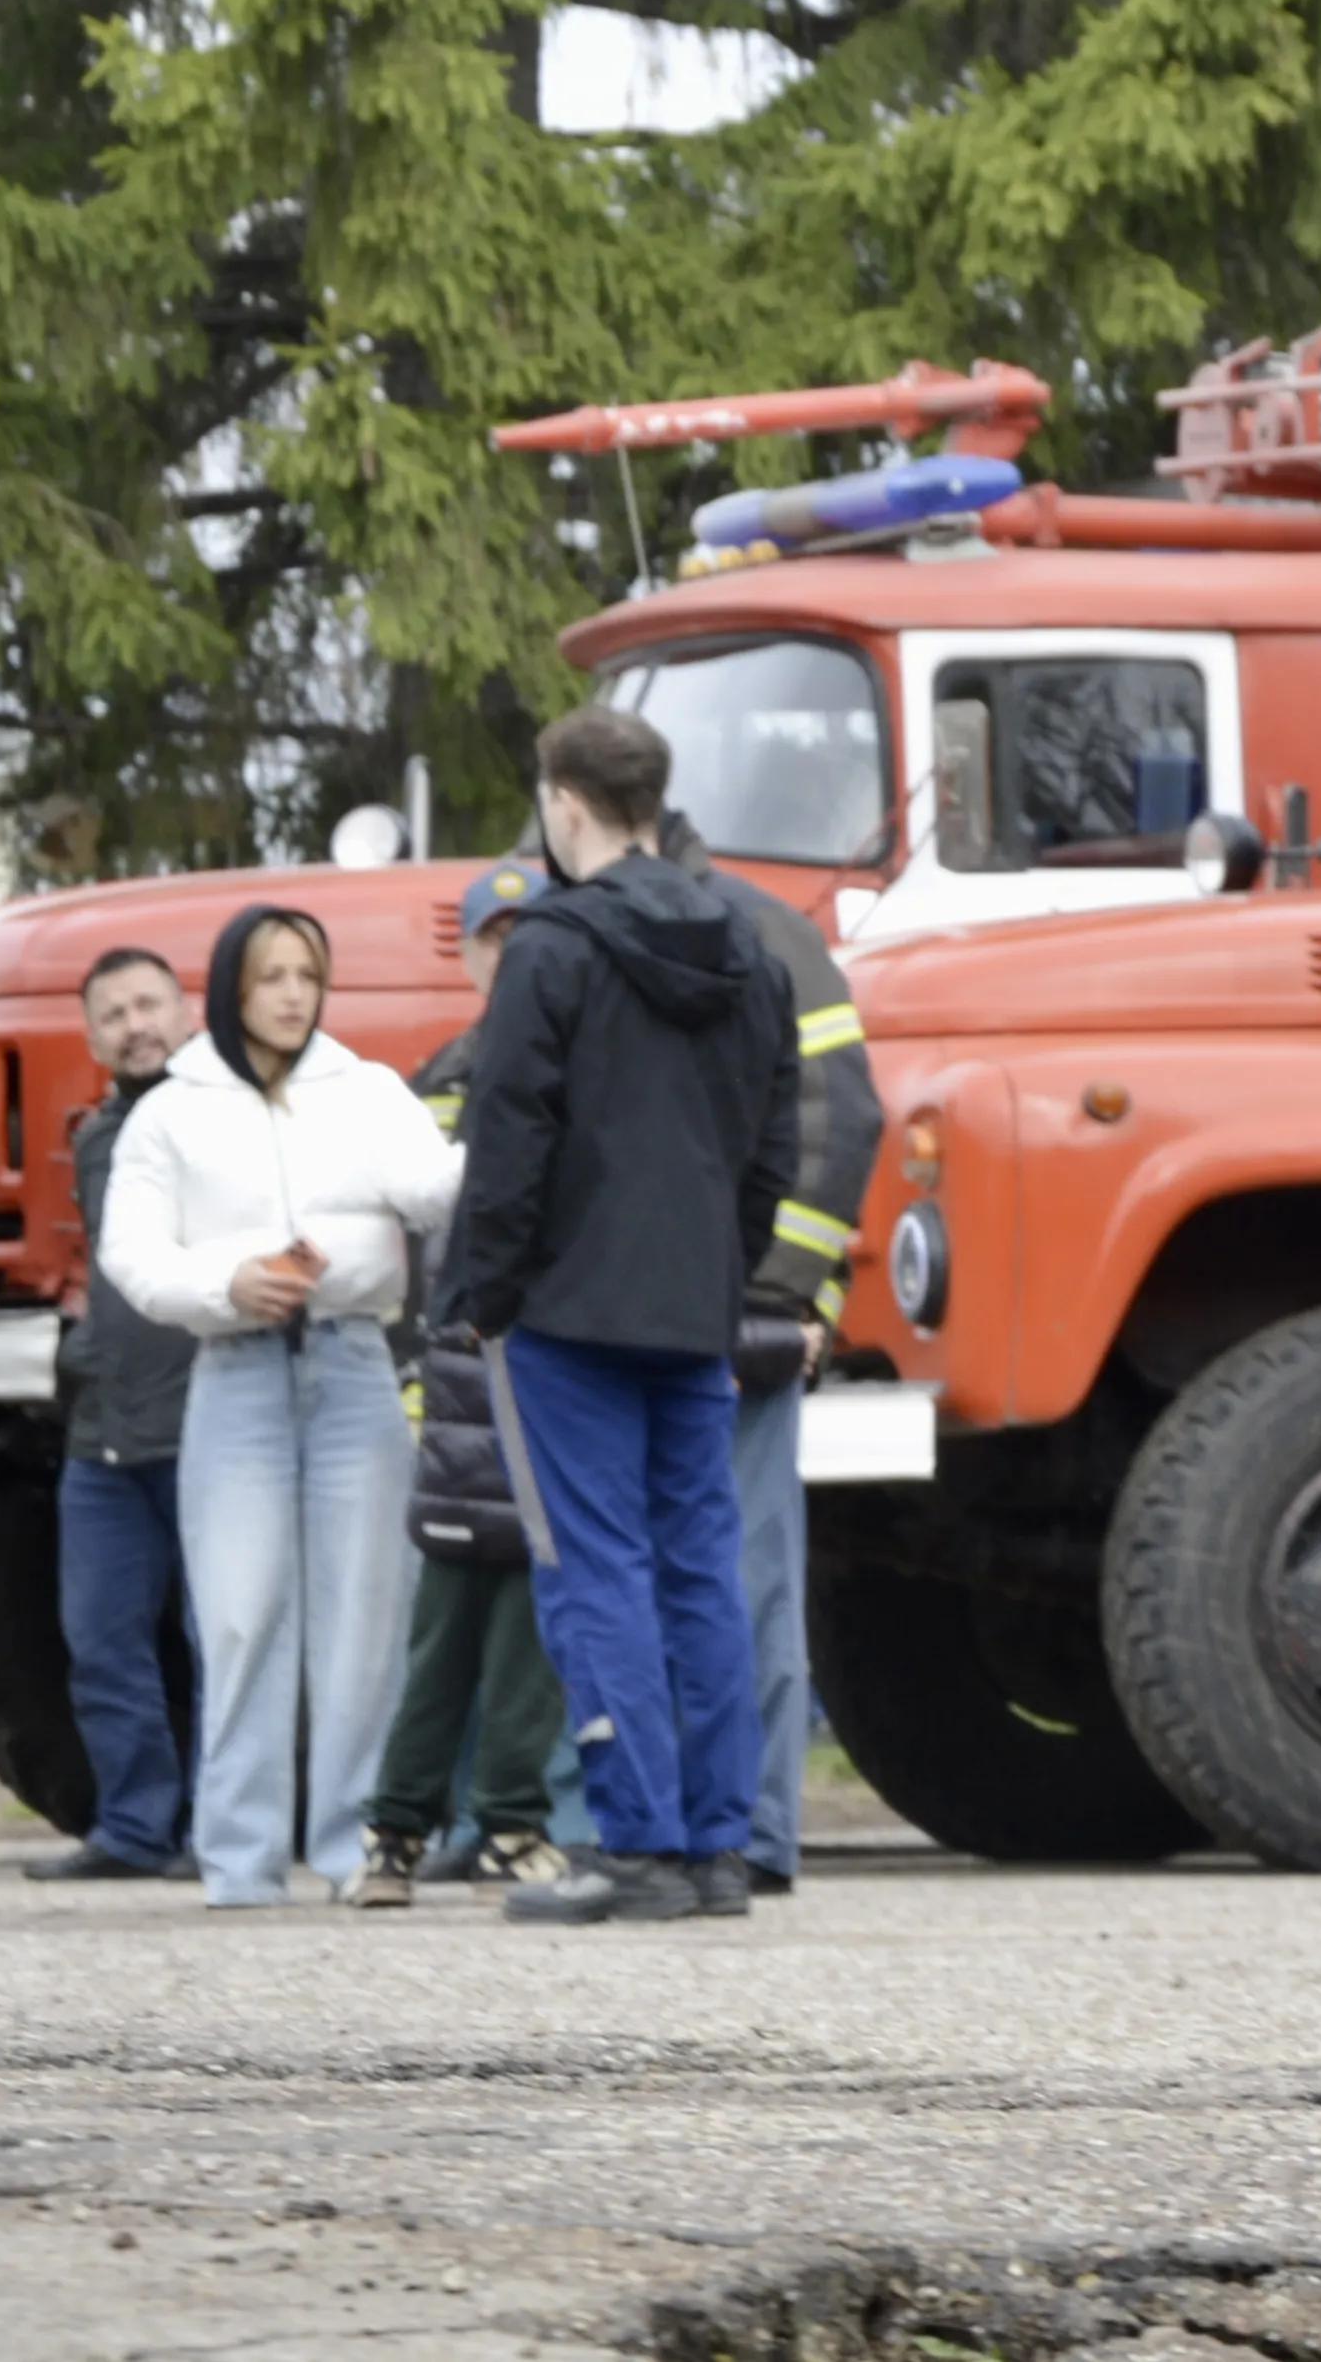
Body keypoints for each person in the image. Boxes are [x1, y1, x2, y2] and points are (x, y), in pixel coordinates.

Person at [448, 704, 797, 1927]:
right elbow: (775, 1136)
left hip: (564, 1313)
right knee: (699, 1566)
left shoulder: (549, 947)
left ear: (565, 804)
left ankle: (635, 1840)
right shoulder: (749, 945)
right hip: (691, 1310)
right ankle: (715, 1850)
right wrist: (721, 1267)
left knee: (591, 1565)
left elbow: (509, 1139)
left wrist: (483, 1293)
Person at [103, 907, 460, 1907]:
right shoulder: (170, 1111)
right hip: (235, 1374)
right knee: (240, 1614)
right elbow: (134, 1257)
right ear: (230, 988)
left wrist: (517, 1129)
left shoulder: (369, 1090)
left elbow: (433, 1191)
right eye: (271, 976)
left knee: (364, 1614)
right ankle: (240, 1862)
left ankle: (354, 1851)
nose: (294, 993)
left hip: (353, 1367)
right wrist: (230, 1285)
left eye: (309, 972)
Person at [667, 812, 883, 1895]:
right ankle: (683, 1825)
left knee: (745, 1578)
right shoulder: (631, 927)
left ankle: (751, 1834)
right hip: (650, 1313)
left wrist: (770, 1296)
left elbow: (841, 1118)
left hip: (718, 1321)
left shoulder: (761, 936)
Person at [358, 865, 570, 1904]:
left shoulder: (576, 1061)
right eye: (496, 936)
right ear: (474, 952)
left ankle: (511, 1824)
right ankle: (397, 1831)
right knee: (441, 1634)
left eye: (529, 932)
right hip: (457, 1391)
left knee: (529, 1632)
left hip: (541, 1385)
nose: (511, 951)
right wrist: (413, 1383)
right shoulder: (442, 1076)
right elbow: (409, 1241)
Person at [35, 947, 201, 1883]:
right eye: (113, 1012)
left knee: (217, 1635)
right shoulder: (97, 1136)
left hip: (199, 1416)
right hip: (101, 1426)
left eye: (149, 1004)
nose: (134, 1024)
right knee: (100, 1636)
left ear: (185, 1013)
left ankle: (223, 1830)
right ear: (92, 1033)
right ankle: (135, 1828)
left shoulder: (220, 1117)